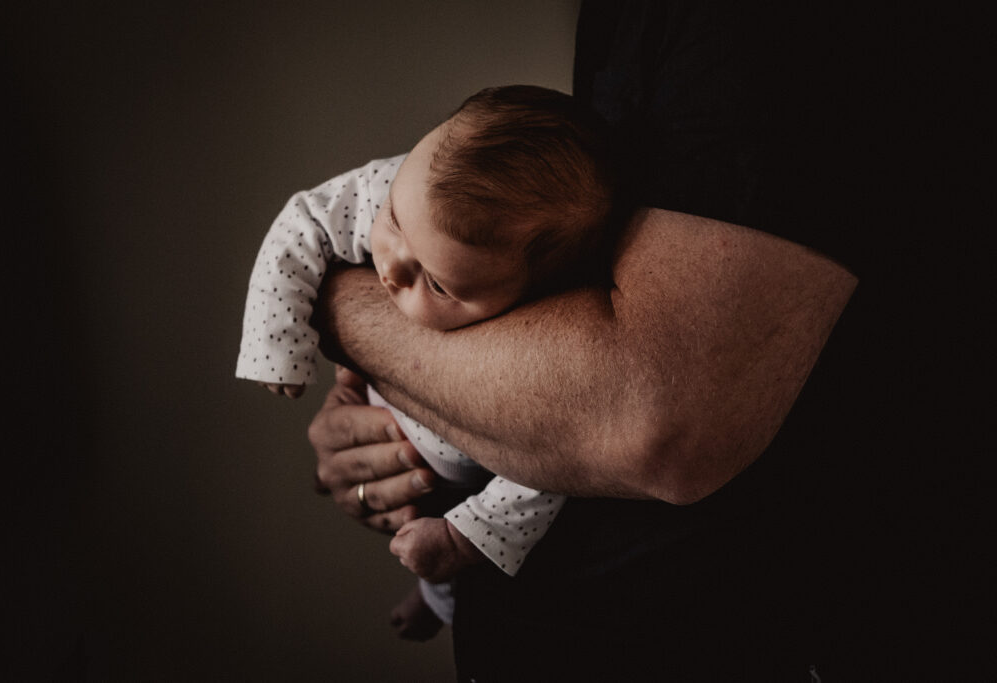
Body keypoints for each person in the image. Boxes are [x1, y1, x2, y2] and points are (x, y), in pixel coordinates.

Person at [305, 1, 910, 680]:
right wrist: (377, 414)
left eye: (439, 285)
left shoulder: (758, 32)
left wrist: (338, 310)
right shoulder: (617, 24)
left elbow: (653, 421)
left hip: (707, 643)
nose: (389, 270)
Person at [237, 85, 619, 638]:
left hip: (473, 474)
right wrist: (275, 340)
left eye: (436, 283)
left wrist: (466, 538)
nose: (390, 268)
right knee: (416, 529)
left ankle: (439, 597)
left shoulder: (549, 332)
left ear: (532, 298)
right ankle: (437, 595)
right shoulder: (408, 189)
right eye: (393, 222)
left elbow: (549, 468)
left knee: (439, 545)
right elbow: (307, 220)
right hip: (387, 416)